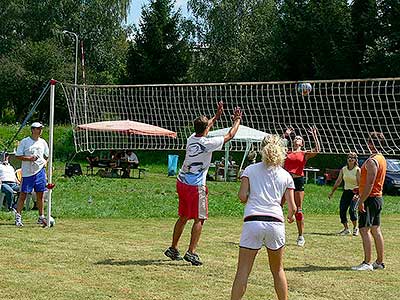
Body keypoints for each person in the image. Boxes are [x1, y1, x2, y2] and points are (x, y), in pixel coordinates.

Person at [164, 102, 242, 266]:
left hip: (182, 182)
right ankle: (191, 253)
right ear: (206, 128)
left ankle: (173, 248)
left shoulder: (192, 138)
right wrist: (237, 120)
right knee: (200, 218)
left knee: (184, 216)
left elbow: (207, 125)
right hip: (195, 186)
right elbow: (230, 136)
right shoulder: (207, 143)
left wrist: (217, 115)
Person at [231, 134, 296, 300]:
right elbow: (292, 207)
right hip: (275, 223)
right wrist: (290, 216)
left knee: (243, 271)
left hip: (253, 221)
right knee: (278, 270)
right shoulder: (285, 175)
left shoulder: (250, 170)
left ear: (261, 149)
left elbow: (242, 196)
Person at [351, 132, 386, 271]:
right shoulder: (381, 158)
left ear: (371, 143)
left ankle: (367, 263)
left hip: (370, 199)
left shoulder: (372, 161)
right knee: (375, 229)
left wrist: (361, 200)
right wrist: (359, 189)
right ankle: (379, 262)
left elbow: (370, 183)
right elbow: (371, 182)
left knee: (364, 230)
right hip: (377, 198)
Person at [282, 126, 320, 246]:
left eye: (299, 138)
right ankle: (277, 233)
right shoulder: (287, 152)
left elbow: (317, 149)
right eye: (296, 138)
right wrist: (286, 134)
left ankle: (300, 236)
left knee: (299, 210)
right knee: (278, 205)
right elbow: (275, 146)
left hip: (298, 180)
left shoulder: (304, 153)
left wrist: (314, 134)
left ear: (302, 143)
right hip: (286, 181)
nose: (297, 139)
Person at [14, 122, 49, 227]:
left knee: (40, 194)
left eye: (41, 129)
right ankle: (18, 217)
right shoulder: (25, 142)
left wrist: (45, 163)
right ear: (33, 130)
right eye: (38, 129)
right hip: (28, 173)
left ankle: (41, 216)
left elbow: (47, 155)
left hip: (40, 172)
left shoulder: (43, 142)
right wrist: (29, 158)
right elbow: (18, 155)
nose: (40, 131)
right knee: (23, 195)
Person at [328, 152, 361, 236]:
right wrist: (332, 192)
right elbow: (338, 181)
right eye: (349, 157)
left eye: (352, 158)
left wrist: (358, 194)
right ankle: (346, 229)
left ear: (355, 160)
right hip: (346, 191)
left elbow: (360, 184)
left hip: (355, 192)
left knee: (352, 210)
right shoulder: (343, 169)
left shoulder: (357, 170)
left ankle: (355, 228)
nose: (350, 159)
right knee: (342, 209)